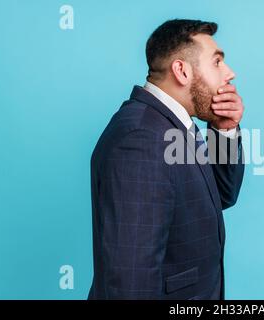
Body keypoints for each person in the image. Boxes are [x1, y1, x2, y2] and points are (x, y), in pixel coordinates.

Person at [88, 19, 245, 300]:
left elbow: (220, 196)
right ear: (182, 71)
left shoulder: (172, 125)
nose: (230, 74)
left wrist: (224, 130)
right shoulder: (140, 139)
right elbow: (129, 280)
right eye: (217, 62)